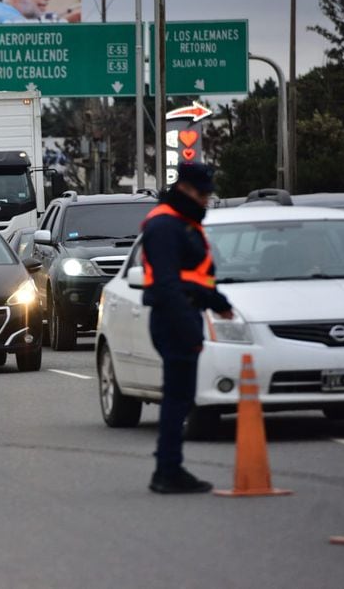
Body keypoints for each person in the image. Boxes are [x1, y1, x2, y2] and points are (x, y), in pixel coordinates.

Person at [140, 163, 233, 494]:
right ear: (186, 189)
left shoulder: (183, 223)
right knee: (177, 400)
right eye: (203, 194)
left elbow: (192, 278)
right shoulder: (165, 225)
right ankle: (168, 471)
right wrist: (189, 331)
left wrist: (218, 301)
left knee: (179, 397)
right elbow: (166, 284)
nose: (207, 200)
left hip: (183, 314)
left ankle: (169, 468)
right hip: (173, 318)